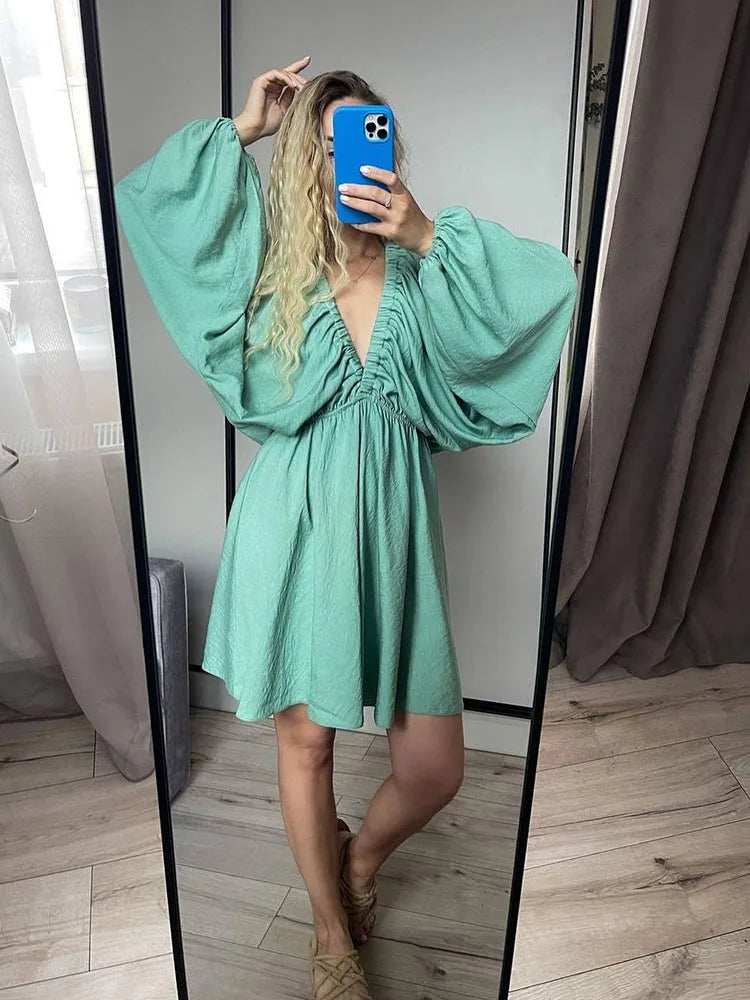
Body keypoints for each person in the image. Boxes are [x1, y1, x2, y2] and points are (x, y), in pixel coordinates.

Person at [114, 56, 578, 1000]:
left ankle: (358, 857)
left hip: (397, 534)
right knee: (309, 746)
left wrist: (427, 232)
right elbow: (157, 207)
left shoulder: (424, 265)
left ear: (388, 148)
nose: (347, 159)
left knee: (434, 769)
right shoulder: (272, 268)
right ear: (303, 159)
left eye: (366, 137)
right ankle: (330, 937)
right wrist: (243, 129)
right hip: (294, 528)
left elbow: (545, 289)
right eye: (325, 145)